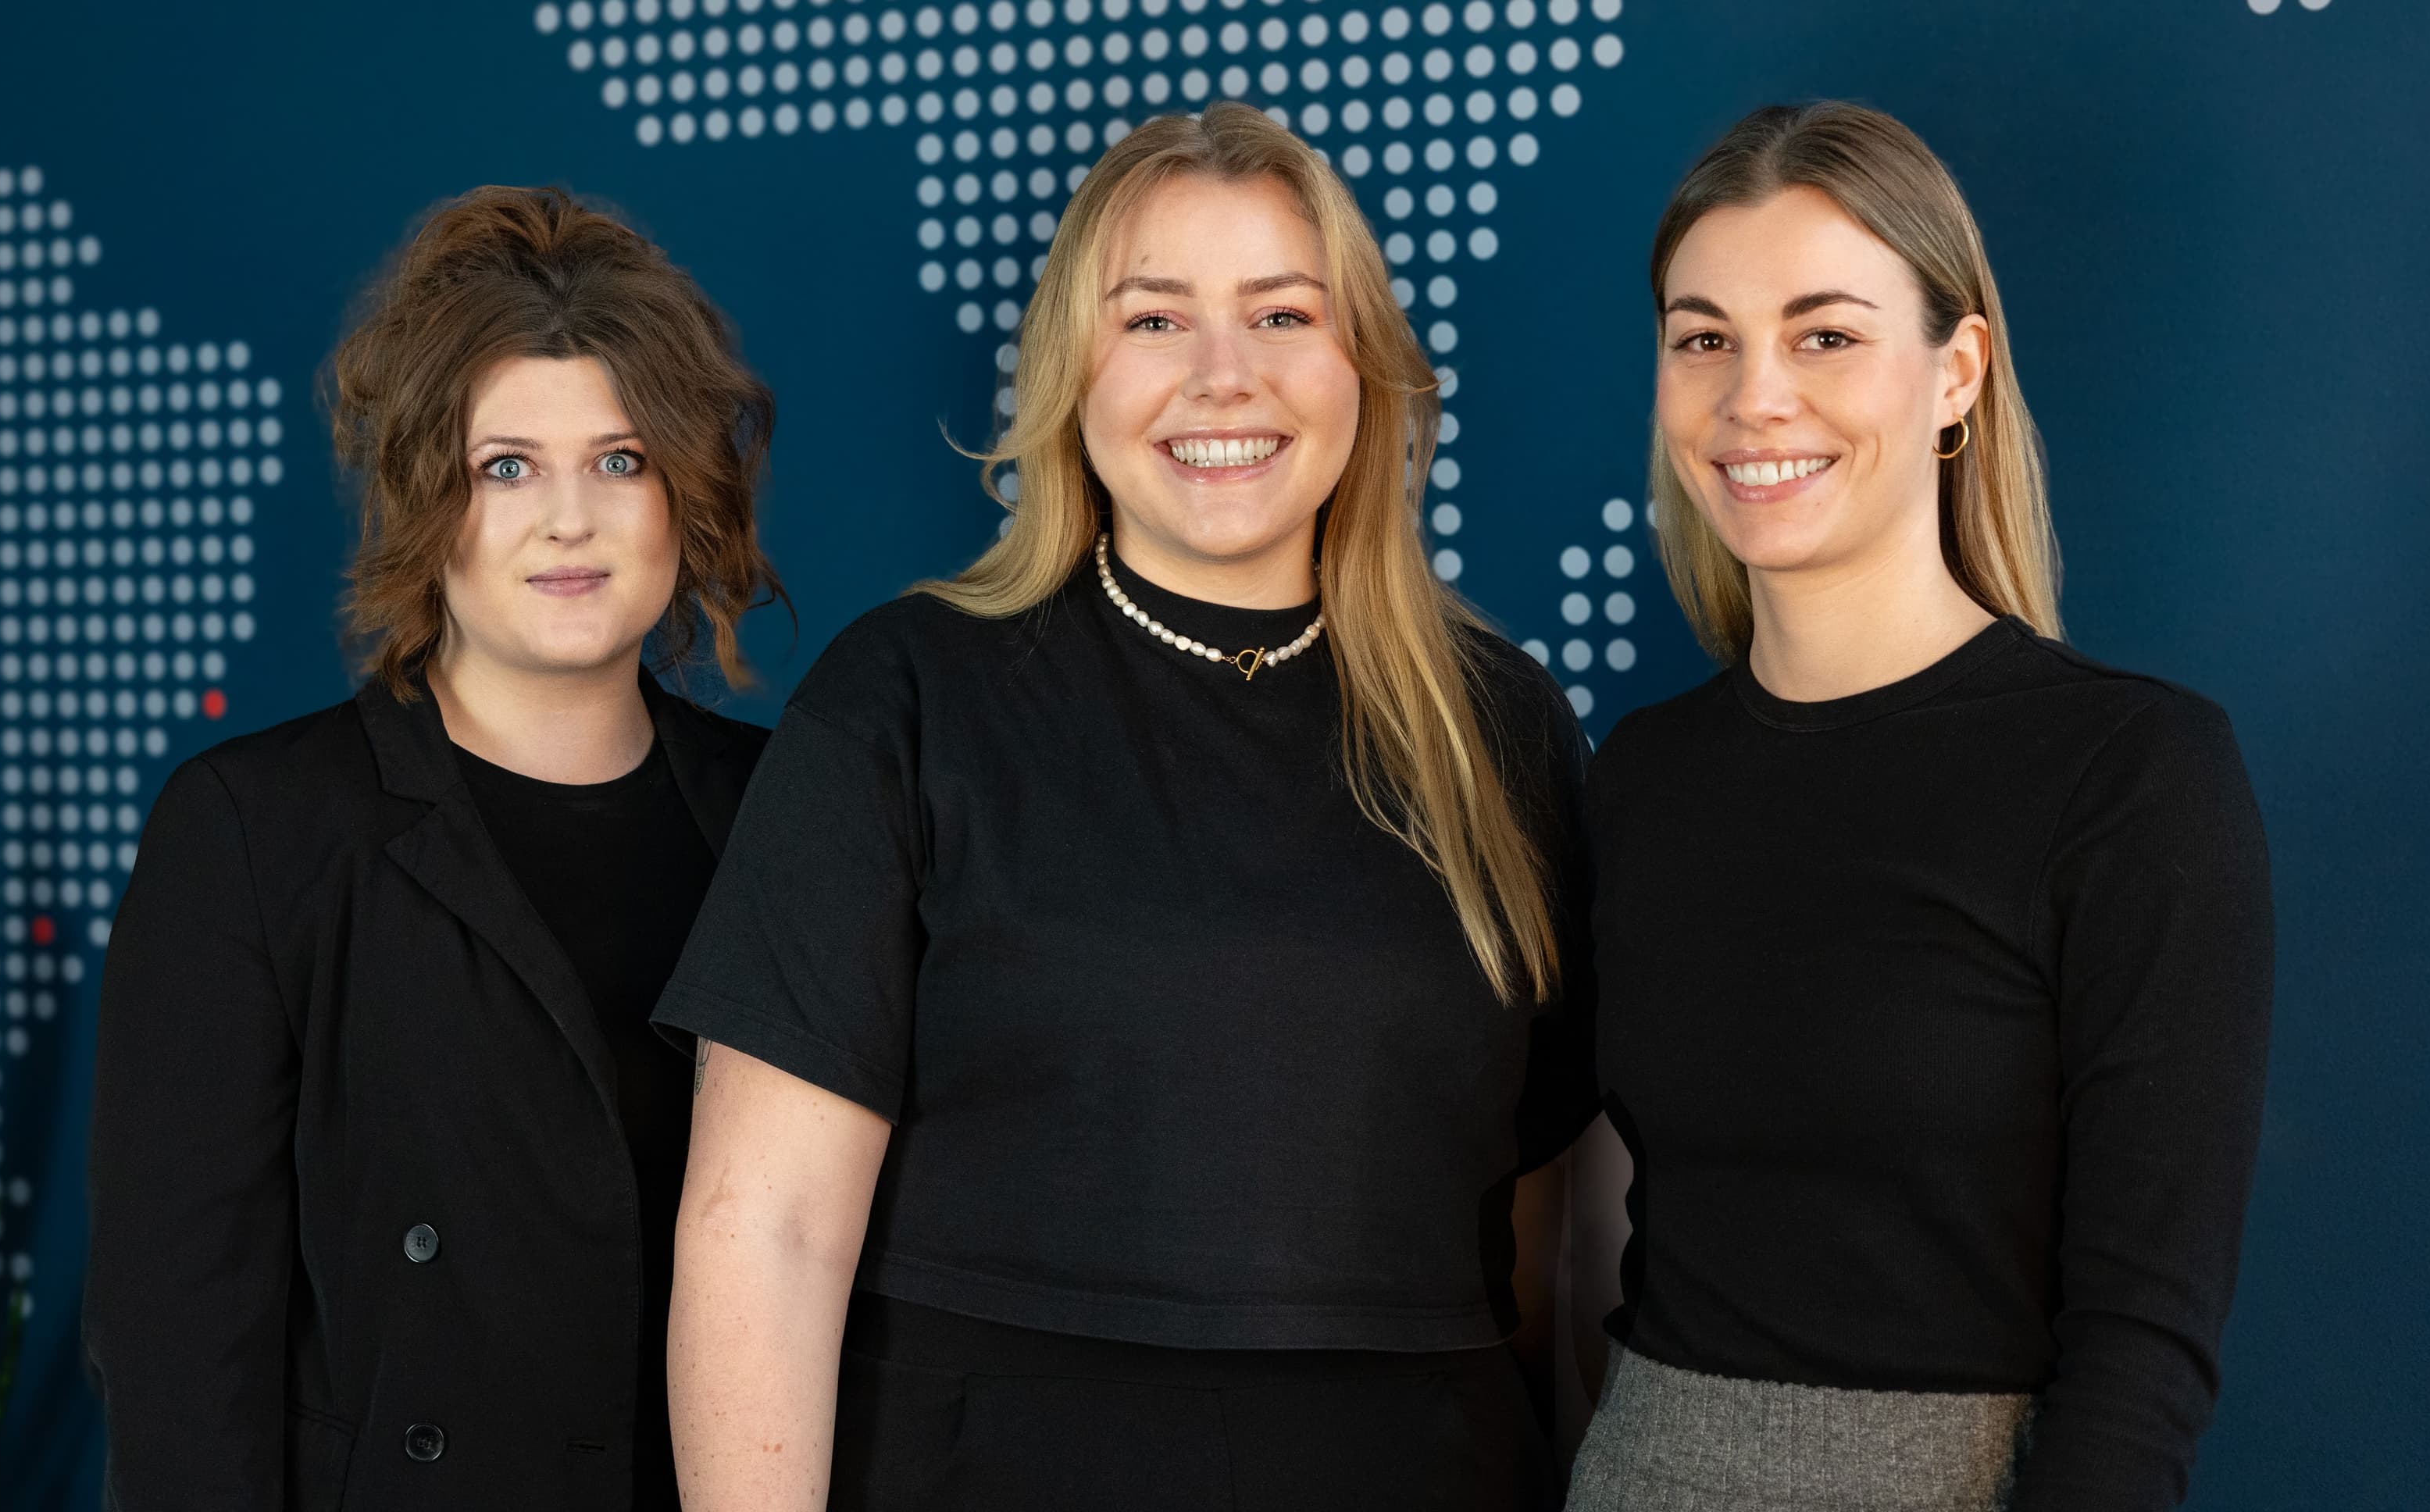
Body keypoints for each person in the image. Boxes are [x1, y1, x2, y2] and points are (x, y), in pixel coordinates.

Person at [656, 105, 1593, 1512]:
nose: (1226, 376)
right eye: (1155, 320)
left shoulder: (1504, 726)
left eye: (1284, 315)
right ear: (1069, 377)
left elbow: (1553, 1234)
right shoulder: (907, 695)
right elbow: (764, 1235)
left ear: (1368, 369)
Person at [1568, 103, 2274, 1512]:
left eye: (1825, 335)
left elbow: (2141, 1355)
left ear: (1957, 372)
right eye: (1704, 337)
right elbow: (1597, 1231)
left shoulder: (2133, 776)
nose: (1753, 396)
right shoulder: (1638, 778)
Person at [84, 187, 783, 1511]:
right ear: (423, 499)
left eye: (622, 460)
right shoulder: (256, 830)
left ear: (688, 493)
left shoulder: (782, 813)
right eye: (504, 466)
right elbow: (178, 1334)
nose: (568, 519)